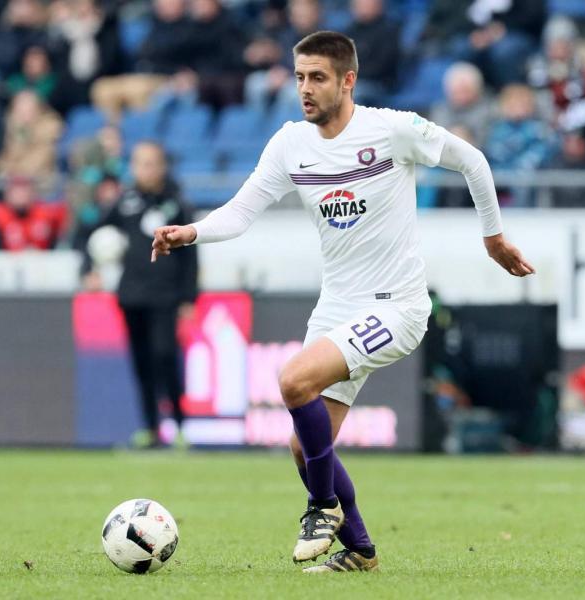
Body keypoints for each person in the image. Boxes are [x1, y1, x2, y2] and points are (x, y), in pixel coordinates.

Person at [151, 30, 534, 573]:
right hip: (338, 307)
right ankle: (360, 551)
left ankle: (321, 507)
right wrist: (191, 232)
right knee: (304, 448)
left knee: (293, 381)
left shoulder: (392, 129)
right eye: (300, 77)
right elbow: (241, 211)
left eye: (318, 78)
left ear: (348, 80)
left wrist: (493, 238)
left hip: (397, 306)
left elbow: (472, 160)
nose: (305, 89)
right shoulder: (290, 144)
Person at [87, 142, 199, 448]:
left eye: (151, 163)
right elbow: (93, 234)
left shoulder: (176, 204)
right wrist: (90, 268)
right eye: (139, 164)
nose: (145, 170)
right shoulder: (124, 202)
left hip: (166, 295)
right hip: (131, 295)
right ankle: (150, 428)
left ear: (162, 167)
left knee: (165, 356)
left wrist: (189, 298)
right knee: (142, 362)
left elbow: (191, 256)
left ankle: (179, 426)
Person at [0, 176, 67, 251]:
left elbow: (56, 244)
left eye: (24, 190)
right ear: (8, 194)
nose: (21, 195)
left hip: (42, 261)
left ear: (32, 192)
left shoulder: (46, 213)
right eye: (16, 192)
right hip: (9, 261)